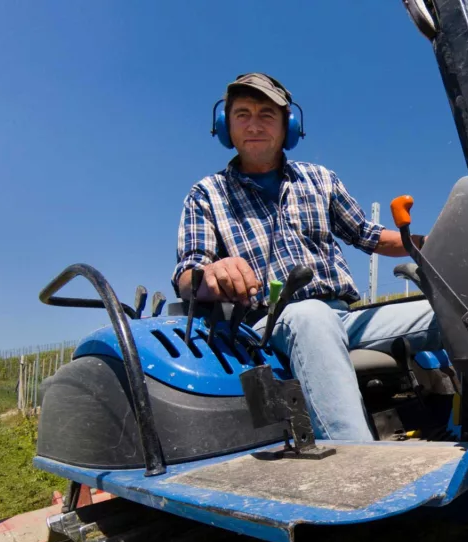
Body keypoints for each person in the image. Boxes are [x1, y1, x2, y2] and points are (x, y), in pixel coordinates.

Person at [172, 72, 439, 441]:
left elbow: (366, 234)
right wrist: (212, 271)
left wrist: (433, 241)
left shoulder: (320, 179)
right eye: (242, 114)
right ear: (224, 126)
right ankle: (357, 470)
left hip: (344, 317)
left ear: (289, 127)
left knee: (450, 310)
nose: (254, 125)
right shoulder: (207, 194)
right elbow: (188, 273)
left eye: (267, 114)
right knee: (310, 316)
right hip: (269, 324)